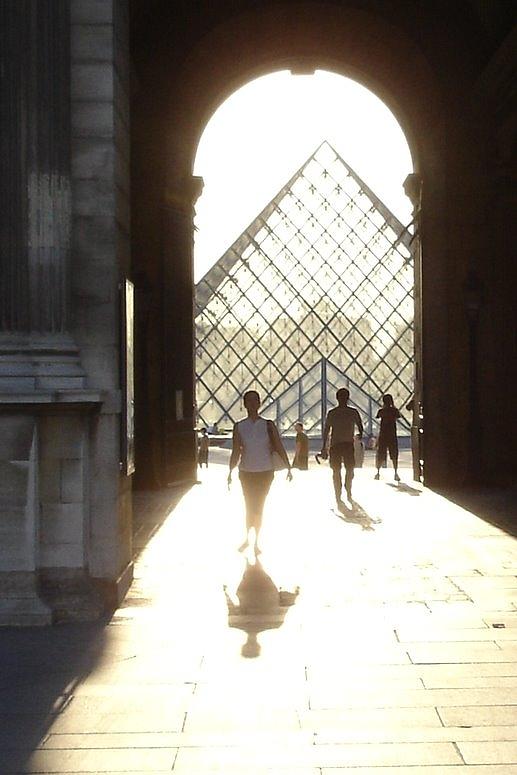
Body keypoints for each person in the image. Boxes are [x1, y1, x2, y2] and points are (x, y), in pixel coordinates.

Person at [228, 390, 292, 554]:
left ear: (259, 403)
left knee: (258, 506)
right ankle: (249, 538)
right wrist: (230, 471)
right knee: (250, 505)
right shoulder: (239, 426)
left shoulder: (268, 425)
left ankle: (254, 540)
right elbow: (236, 450)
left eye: (255, 401)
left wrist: (288, 466)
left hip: (265, 472)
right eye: (249, 401)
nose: (252, 404)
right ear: (245, 404)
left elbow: (278, 445)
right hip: (246, 471)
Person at [321, 388, 363, 505]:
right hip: (348, 444)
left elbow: (326, 430)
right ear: (348, 398)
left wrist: (324, 446)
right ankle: (348, 489)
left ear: (337, 398)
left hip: (335, 445)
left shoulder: (332, 413)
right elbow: (360, 426)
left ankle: (338, 494)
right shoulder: (353, 412)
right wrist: (360, 435)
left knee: (336, 470)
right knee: (350, 469)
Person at [374, 393, 402, 481]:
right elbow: (398, 416)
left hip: (383, 435)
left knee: (381, 453)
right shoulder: (394, 410)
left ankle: (378, 473)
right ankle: (395, 473)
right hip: (392, 435)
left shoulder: (381, 411)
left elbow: (377, 416)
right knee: (394, 454)